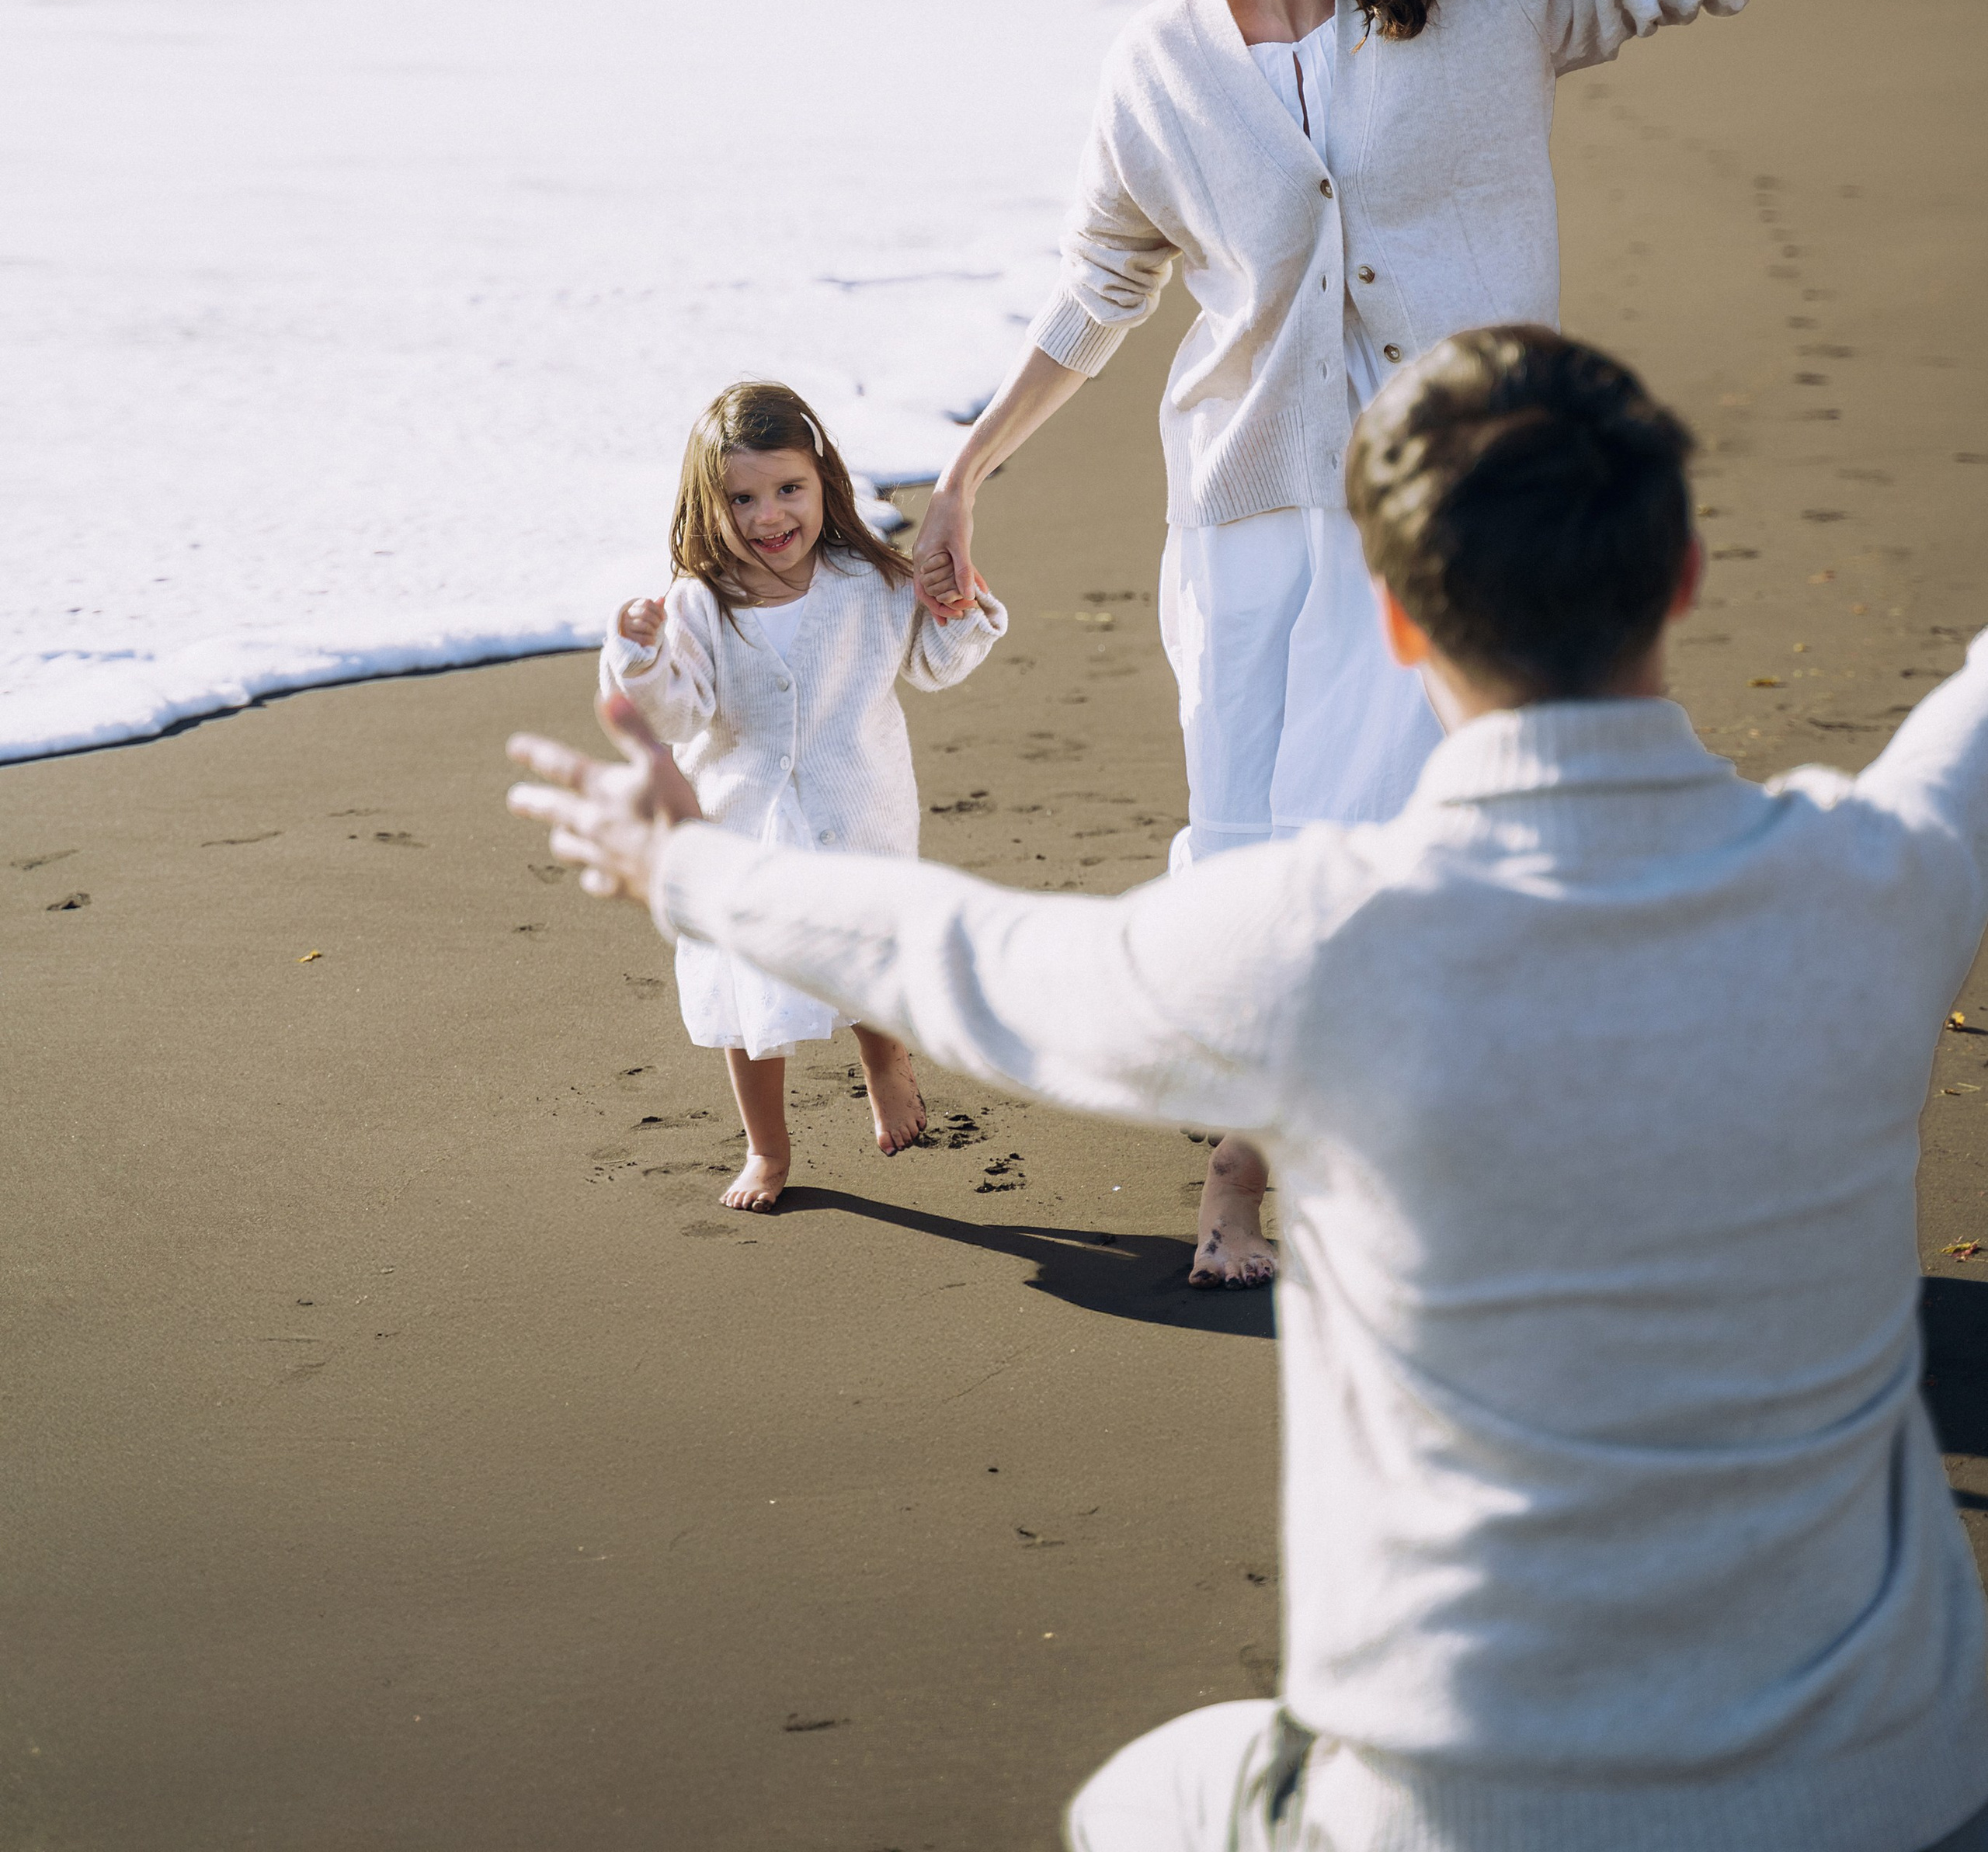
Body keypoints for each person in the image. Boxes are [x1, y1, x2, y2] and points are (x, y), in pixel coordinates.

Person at [512, 325, 1988, 1852]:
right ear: (1680, 575)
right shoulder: (1884, 875)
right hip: (1903, 1786)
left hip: (1454, 1813)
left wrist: (686, 870)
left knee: (1131, 1805)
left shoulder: (1314, 941)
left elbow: (974, 962)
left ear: (1396, 622)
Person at [912, 0, 1988, 1286]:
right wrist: (963, 470)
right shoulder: (1158, 64)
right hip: (1255, 515)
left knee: (1431, 841)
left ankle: (1378, 1181)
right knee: (1263, 864)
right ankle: (1268, 1178)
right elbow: (1100, 287)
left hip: (1459, 507)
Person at [599, 378, 1005, 1209]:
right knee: (746, 994)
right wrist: (641, 656)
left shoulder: (869, 582)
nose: (768, 517)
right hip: (742, 830)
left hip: (857, 818)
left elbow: (933, 664)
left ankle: (884, 1057)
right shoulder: (700, 605)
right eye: (742, 499)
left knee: (866, 957)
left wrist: (962, 606)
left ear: (824, 482)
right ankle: (767, 1149)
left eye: (789, 489)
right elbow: (677, 714)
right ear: (708, 505)